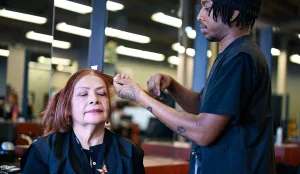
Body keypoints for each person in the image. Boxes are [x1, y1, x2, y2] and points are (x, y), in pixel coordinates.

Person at [113, 0, 276, 173]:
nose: (199, 16)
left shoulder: (239, 59)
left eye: (207, 8)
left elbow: (203, 132)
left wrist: (139, 96)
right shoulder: (232, 55)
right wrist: (172, 85)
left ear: (234, 13)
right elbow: (205, 106)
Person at [21, 69, 145, 174]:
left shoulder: (130, 152)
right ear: (68, 108)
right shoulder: (43, 151)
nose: (94, 99)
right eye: (83, 94)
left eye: (101, 93)